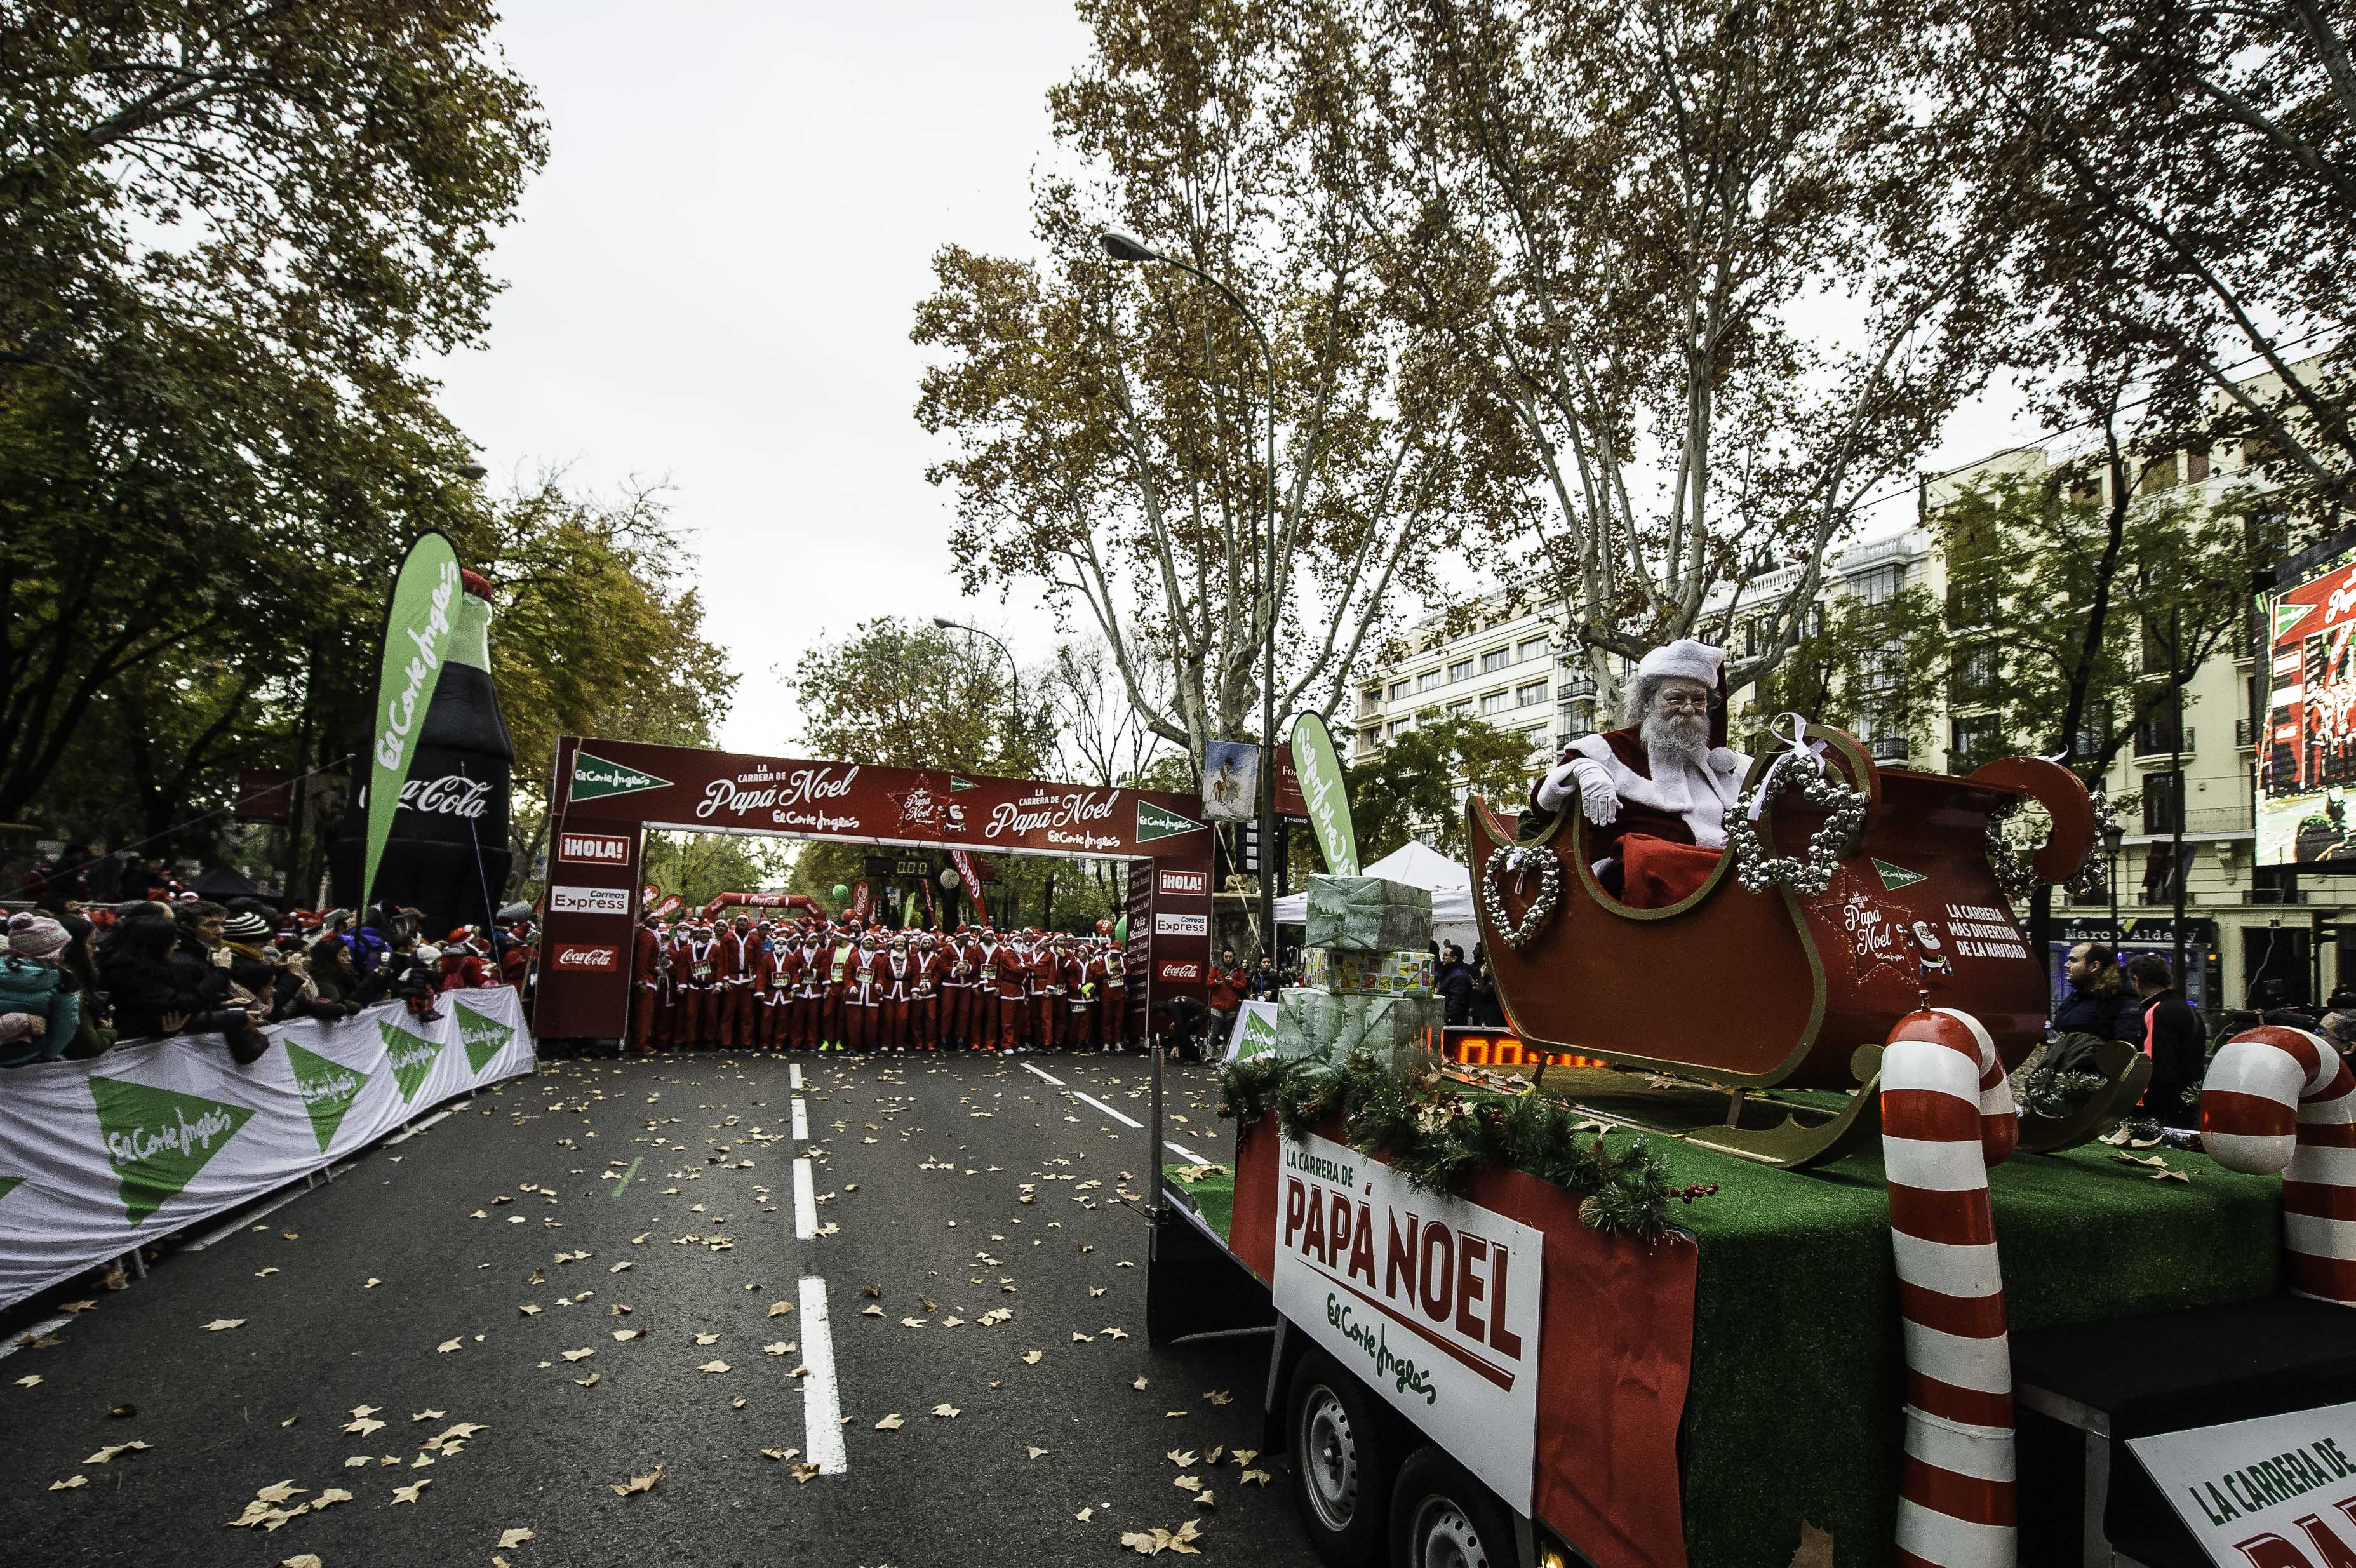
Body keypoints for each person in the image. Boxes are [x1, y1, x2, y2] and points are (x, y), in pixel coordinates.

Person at [1531, 639, 1751, 908]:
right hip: (1633, 888)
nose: (1688, 708)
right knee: (1648, 856)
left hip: (1725, 878)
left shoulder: (1724, 762)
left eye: (1699, 700)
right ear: (1647, 703)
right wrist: (1583, 770)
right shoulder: (1611, 748)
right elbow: (1543, 805)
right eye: (1675, 698)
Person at [99, 911, 269, 1062]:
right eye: (172, 942)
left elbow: (175, 1015)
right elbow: (181, 1007)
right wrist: (221, 972)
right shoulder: (133, 974)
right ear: (156, 945)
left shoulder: (145, 968)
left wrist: (219, 1006)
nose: (175, 947)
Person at [2127, 954, 2206, 1129]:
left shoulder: (2156, 1012)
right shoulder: (2189, 1010)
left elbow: (2154, 1063)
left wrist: (2144, 1109)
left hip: (2163, 1112)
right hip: (2187, 1104)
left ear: (2136, 980)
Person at [0, 914, 83, 1068]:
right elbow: (68, 1024)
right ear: (52, 953)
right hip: (27, 1054)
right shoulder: (61, 981)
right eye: (63, 951)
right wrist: (49, 1055)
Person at [2051, 941, 2144, 1043]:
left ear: (2094, 967)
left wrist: (2075, 1043)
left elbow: (2123, 1049)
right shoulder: (2078, 996)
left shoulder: (2124, 1001)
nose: (2066, 965)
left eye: (2073, 960)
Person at [1206, 948, 1246, 1057]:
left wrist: (1232, 982)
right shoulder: (1216, 968)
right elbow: (1208, 983)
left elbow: (1243, 985)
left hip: (1231, 1007)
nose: (1228, 959)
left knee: (1228, 1034)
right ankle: (1210, 1057)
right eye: (1226, 957)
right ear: (1223, 957)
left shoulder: (1239, 969)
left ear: (1234, 957)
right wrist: (1216, 982)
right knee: (1216, 1032)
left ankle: (1226, 1057)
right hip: (1217, 1006)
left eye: (1230, 957)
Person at [1435, 943, 1475, 1027]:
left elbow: (1457, 1001)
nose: (1443, 958)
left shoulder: (1460, 976)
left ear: (1454, 958)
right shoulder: (1449, 973)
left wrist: (1447, 1018)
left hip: (1453, 1023)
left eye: (1446, 955)